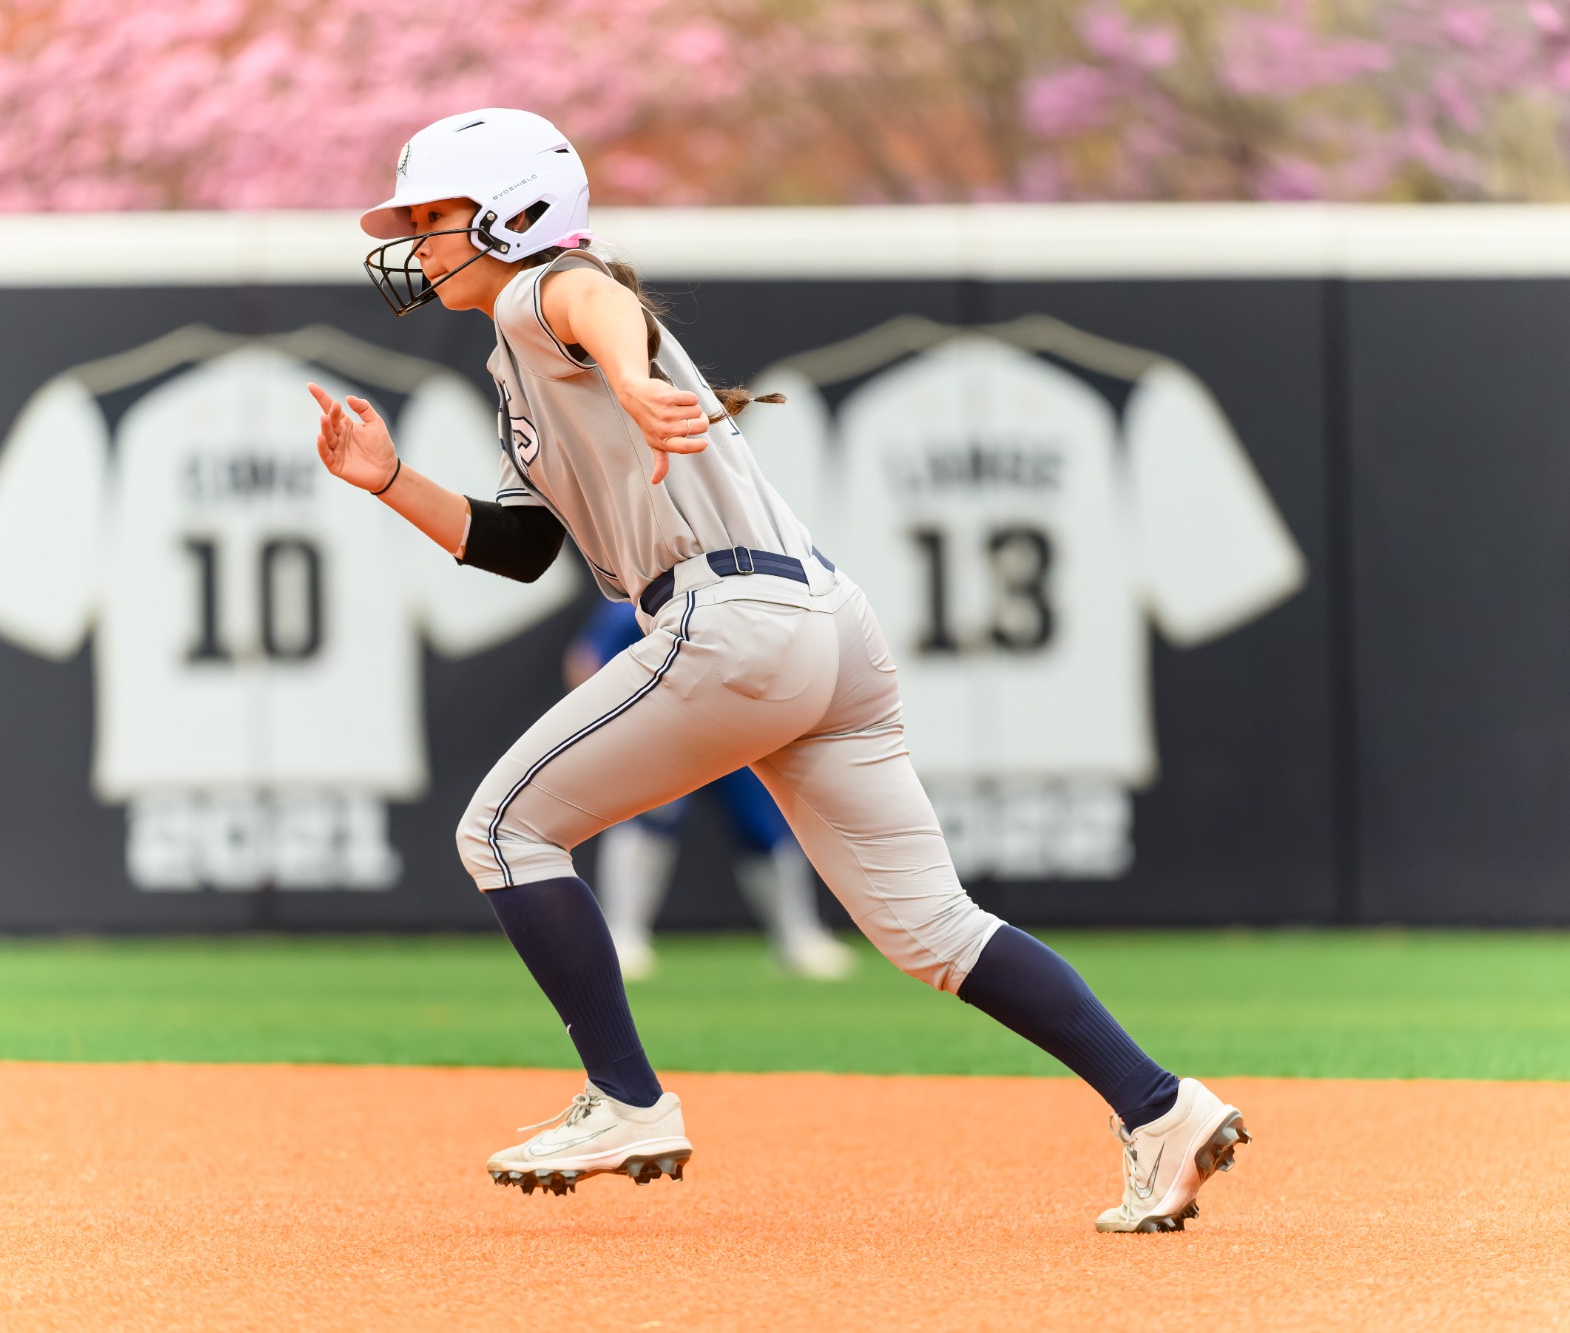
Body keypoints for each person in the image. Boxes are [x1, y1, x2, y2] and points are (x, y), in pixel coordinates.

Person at [309, 108, 1248, 1232]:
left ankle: (625, 1100)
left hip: (731, 620)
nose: (415, 240)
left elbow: (592, 297)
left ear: (515, 216)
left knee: (503, 831)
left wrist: (633, 376)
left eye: (434, 215)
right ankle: (1161, 1108)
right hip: (823, 624)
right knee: (932, 930)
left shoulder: (540, 292)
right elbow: (517, 548)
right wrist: (389, 480)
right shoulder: (524, 361)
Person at [564, 597, 855, 981]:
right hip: (663, 734)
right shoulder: (650, 600)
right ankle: (623, 936)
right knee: (648, 819)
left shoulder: (752, 598)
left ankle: (798, 937)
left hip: (736, 733)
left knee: (762, 826)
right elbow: (586, 659)